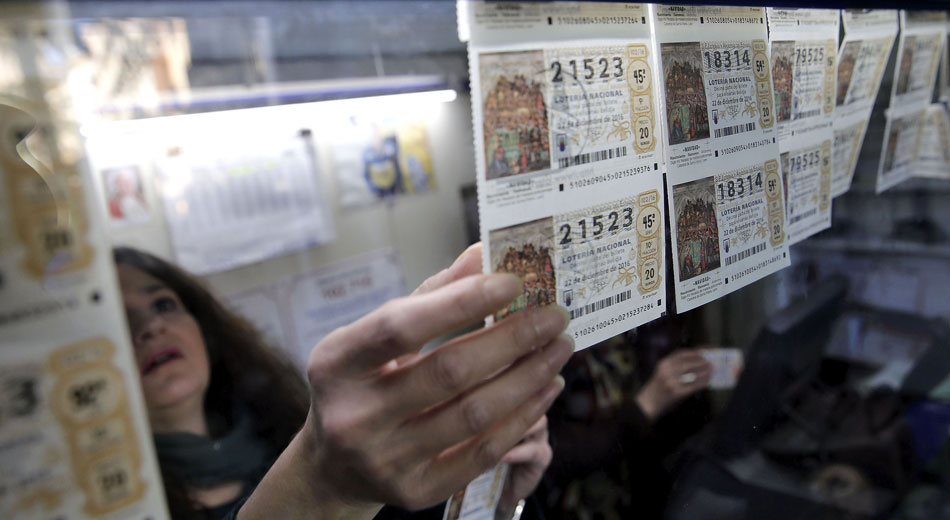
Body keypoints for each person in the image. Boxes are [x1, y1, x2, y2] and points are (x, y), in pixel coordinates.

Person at [115, 243, 571, 520]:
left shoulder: (285, 425)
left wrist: (493, 501)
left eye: (163, 306)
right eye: (119, 322)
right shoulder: (118, 504)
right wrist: (321, 484)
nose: (150, 329)